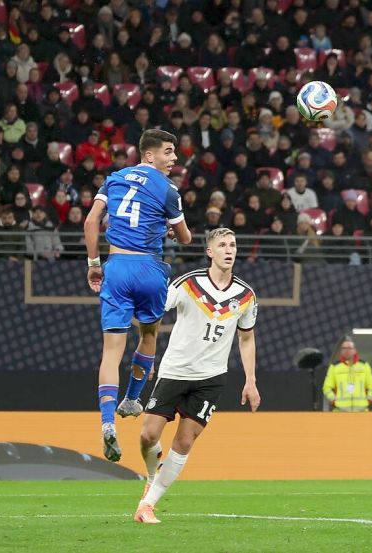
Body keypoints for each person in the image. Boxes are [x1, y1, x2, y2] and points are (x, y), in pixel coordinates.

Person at [134, 228, 259, 523]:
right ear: (210, 252)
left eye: (233, 244)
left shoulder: (246, 295)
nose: (229, 250)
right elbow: (153, 314)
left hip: (211, 377)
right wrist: (146, 355)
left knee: (185, 441)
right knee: (147, 435)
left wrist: (250, 380)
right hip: (175, 371)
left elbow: (246, 338)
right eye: (223, 245)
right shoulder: (188, 284)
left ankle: (147, 505)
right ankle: (152, 475)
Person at [84, 129, 193, 462]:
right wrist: (170, 232)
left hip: (116, 267)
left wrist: (93, 264)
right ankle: (132, 399)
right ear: (149, 156)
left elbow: (91, 222)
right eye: (169, 152)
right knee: (148, 335)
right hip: (149, 269)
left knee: (110, 352)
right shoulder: (168, 189)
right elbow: (186, 237)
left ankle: (106, 425)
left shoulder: (113, 179)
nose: (174, 159)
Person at [322, 339, 372, 412]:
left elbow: (371, 386)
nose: (347, 350)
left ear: (354, 350)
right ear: (341, 351)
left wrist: (369, 400)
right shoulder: (334, 367)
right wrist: (334, 400)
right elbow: (326, 388)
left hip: (361, 411)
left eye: (349, 348)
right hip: (340, 411)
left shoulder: (364, 366)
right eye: (344, 348)